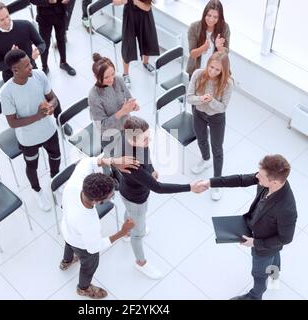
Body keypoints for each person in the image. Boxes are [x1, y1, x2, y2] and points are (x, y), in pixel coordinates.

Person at [197, 154, 297, 300]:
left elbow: (286, 238)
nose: (257, 177)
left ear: (274, 182)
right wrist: (210, 183)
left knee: (259, 273)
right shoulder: (268, 180)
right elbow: (240, 179)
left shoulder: (287, 208)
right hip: (263, 233)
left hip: (263, 244)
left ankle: (255, 296)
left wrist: (255, 243)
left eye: (261, 176)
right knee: (275, 254)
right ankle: (275, 274)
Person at [117, 116, 207, 279]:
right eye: (145, 139)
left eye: (148, 136)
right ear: (131, 139)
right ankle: (141, 263)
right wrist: (189, 187)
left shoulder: (132, 140)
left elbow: (146, 154)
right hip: (135, 198)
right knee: (139, 233)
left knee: (130, 213)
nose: (148, 140)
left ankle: (126, 232)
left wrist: (150, 169)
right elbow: (158, 188)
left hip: (129, 192)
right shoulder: (131, 163)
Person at [60, 155, 139, 299]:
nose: (111, 197)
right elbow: (94, 248)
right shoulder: (88, 221)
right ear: (97, 201)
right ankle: (83, 288)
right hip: (81, 244)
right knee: (89, 264)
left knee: (69, 244)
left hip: (67, 229)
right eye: (110, 196)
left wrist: (113, 161)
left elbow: (88, 161)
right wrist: (123, 232)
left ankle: (67, 261)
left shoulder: (76, 183)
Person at [0, 49, 61, 211]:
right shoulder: (6, 92)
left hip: (49, 130)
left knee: (56, 157)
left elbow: (53, 99)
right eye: (26, 65)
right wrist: (38, 116)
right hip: (28, 139)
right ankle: (37, 190)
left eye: (30, 62)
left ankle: (56, 182)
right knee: (32, 165)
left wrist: (51, 106)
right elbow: (12, 123)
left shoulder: (39, 75)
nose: (31, 66)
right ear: (15, 70)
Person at [186, 52, 233, 201]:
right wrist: (201, 99)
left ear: (223, 71)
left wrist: (211, 101)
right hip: (199, 113)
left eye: (217, 70)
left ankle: (217, 183)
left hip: (217, 118)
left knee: (217, 149)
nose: (213, 72)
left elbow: (223, 107)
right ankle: (206, 160)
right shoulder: (198, 74)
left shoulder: (227, 83)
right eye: (211, 67)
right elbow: (189, 98)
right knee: (201, 139)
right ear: (207, 64)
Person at [88, 53, 139, 156]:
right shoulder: (94, 96)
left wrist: (133, 106)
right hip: (110, 136)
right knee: (125, 165)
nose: (111, 79)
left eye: (112, 74)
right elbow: (102, 126)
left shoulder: (118, 79)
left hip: (126, 126)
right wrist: (122, 112)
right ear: (96, 77)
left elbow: (129, 98)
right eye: (106, 77)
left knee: (140, 154)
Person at [0, 1, 46, 82]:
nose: (7, 21)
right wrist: (11, 59)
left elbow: (41, 43)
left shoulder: (26, 25)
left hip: (31, 70)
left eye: (7, 16)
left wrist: (38, 51)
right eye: (2, 19)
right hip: (11, 78)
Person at [114, 0, 160, 88]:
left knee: (148, 39)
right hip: (129, 15)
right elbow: (115, 2)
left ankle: (145, 63)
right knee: (128, 44)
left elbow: (147, 8)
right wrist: (122, 1)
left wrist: (135, 1)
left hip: (145, 15)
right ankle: (125, 74)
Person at [30, 0, 76, 76]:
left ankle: (63, 62)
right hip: (44, 16)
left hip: (61, 13)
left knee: (61, 39)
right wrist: (47, 1)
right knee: (45, 43)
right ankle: (44, 67)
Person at [187, 0, 230, 79]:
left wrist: (219, 47)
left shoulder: (224, 28)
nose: (211, 20)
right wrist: (203, 48)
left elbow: (225, 55)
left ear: (220, 17)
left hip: (216, 73)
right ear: (204, 14)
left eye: (215, 17)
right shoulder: (194, 27)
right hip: (197, 72)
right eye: (209, 15)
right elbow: (192, 54)